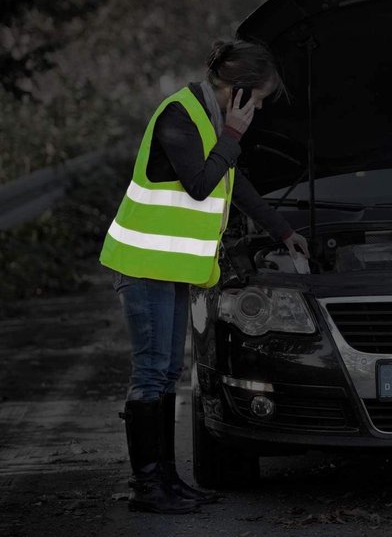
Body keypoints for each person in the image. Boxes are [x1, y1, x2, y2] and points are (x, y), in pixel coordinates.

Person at [99, 39, 309, 514]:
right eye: (256, 99)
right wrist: (234, 133)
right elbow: (199, 186)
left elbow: (234, 182)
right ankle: (147, 486)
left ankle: (167, 480)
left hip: (168, 268)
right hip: (142, 266)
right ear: (236, 92)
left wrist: (283, 231)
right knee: (151, 373)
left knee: (168, 372)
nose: (257, 109)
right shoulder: (180, 116)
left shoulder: (208, 119)